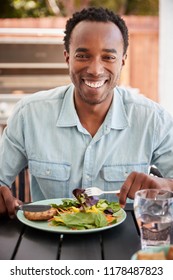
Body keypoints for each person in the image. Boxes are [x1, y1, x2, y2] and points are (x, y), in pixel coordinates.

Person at [0, 7, 173, 218]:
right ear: (67, 58)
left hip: (126, 244)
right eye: (83, 55)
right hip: (49, 240)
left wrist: (165, 185)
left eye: (108, 57)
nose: (95, 69)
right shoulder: (29, 115)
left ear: (123, 60)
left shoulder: (152, 119)